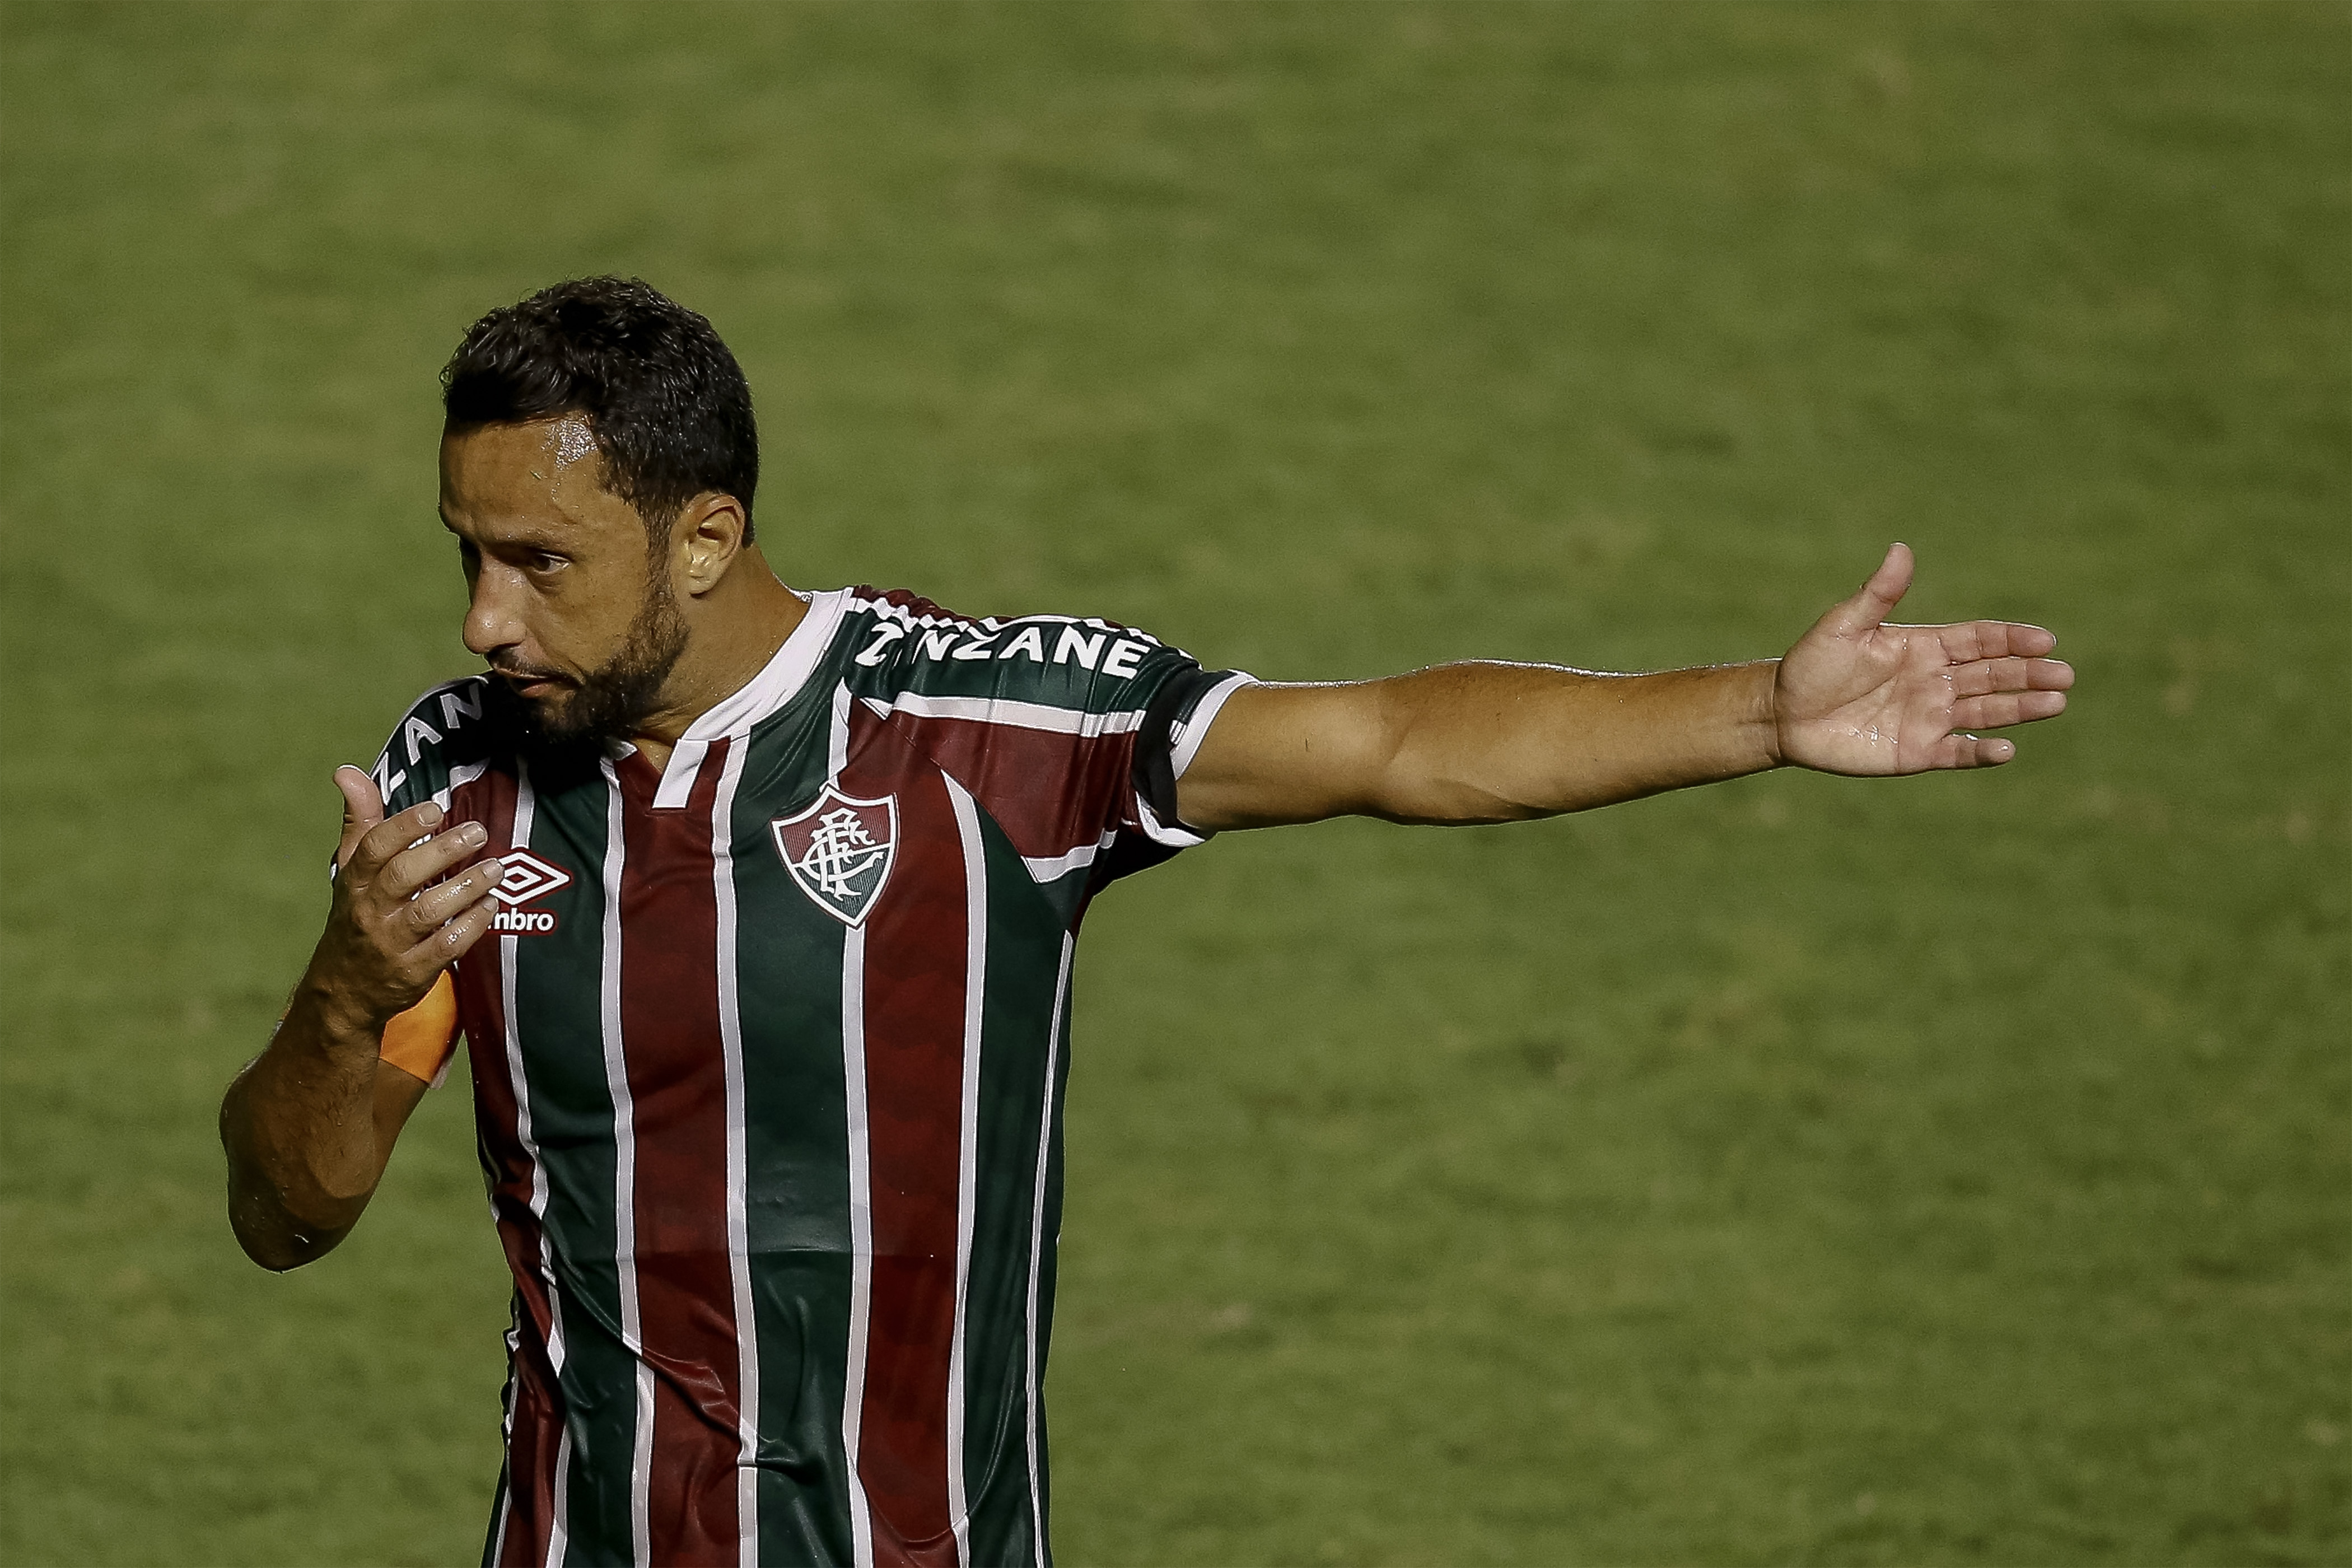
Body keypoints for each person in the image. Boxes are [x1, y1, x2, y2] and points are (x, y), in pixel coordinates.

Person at [220, 277, 2073, 1568]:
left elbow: (1390, 738)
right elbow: (290, 1213)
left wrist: (1763, 708)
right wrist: (343, 990)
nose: (482, 619)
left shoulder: (990, 734)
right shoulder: (454, 780)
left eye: (539, 561)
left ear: (704, 536)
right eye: (463, 555)